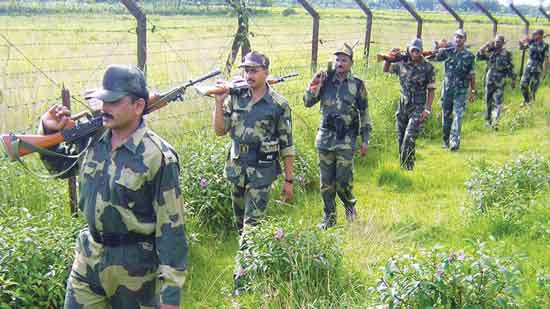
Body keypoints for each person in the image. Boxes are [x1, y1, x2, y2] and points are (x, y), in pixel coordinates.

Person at [39, 65, 188, 309]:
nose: (104, 108)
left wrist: (170, 295)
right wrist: (47, 130)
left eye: (114, 101)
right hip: (89, 258)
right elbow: (60, 168)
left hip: (135, 269)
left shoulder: (158, 156)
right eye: (102, 100)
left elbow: (172, 229)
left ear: (138, 106)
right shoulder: (93, 139)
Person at [211, 51, 294, 293]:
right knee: (241, 225)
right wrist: (218, 103)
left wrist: (289, 180)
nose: (249, 74)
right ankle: (254, 260)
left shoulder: (278, 105)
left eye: (254, 70)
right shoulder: (235, 98)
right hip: (237, 168)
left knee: (252, 226)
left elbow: (287, 144)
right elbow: (220, 130)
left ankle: (242, 282)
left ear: (266, 72)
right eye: (245, 70)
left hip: (262, 171)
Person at [303, 43, 372, 230]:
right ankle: (329, 217)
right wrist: (314, 83)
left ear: (351, 63)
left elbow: (365, 112)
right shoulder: (325, 81)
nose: (339, 63)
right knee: (326, 183)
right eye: (337, 59)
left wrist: (365, 139)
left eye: (344, 60)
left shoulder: (357, 85)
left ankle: (349, 205)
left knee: (343, 180)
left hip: (346, 140)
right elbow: (307, 102)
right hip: (325, 139)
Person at [383, 38, 436, 170]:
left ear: (421, 51)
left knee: (409, 136)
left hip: (418, 106)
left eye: (417, 50)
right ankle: (406, 166)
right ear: (408, 50)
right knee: (401, 138)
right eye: (412, 50)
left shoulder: (428, 67)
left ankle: (406, 167)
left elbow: (431, 89)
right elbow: (386, 70)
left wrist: (427, 109)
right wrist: (389, 58)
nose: (415, 53)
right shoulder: (401, 63)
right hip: (402, 105)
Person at [431, 29, 476, 151]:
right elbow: (432, 58)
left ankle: (454, 142)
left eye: (460, 37)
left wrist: (472, 91)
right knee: (446, 115)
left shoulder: (469, 56)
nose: (458, 39)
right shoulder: (448, 52)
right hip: (447, 90)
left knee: (458, 115)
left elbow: (472, 75)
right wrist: (437, 48)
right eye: (456, 37)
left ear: (464, 39)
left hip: (461, 90)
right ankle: (445, 141)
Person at [476, 34, 516, 129]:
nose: (496, 43)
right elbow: (479, 55)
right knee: (488, 100)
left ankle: (496, 122)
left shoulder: (507, 54)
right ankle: (488, 121)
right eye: (495, 41)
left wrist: (513, 79)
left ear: (503, 43)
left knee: (498, 101)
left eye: (498, 41)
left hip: (500, 80)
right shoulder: (490, 52)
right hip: (489, 79)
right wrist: (486, 45)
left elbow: (511, 67)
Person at [519, 29, 548, 106]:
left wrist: (544, 72)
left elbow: (546, 60)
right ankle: (526, 99)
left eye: (535, 34)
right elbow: (522, 48)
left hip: (537, 68)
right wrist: (521, 43)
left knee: (533, 87)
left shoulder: (545, 46)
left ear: (540, 35)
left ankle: (530, 103)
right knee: (523, 84)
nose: (534, 35)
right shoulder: (531, 42)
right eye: (534, 34)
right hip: (528, 66)